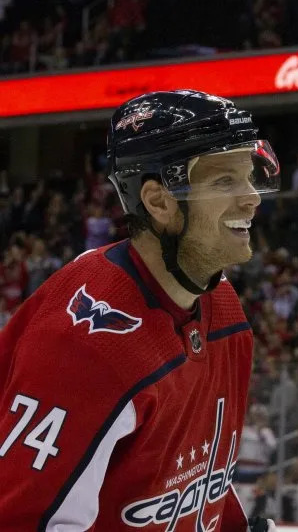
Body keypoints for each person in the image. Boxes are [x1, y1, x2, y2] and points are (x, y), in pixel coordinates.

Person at [0, 90, 280, 531]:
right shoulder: (83, 346)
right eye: (225, 181)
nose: (252, 198)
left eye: (250, 177)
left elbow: (200, 485)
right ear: (159, 201)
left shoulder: (221, 306)